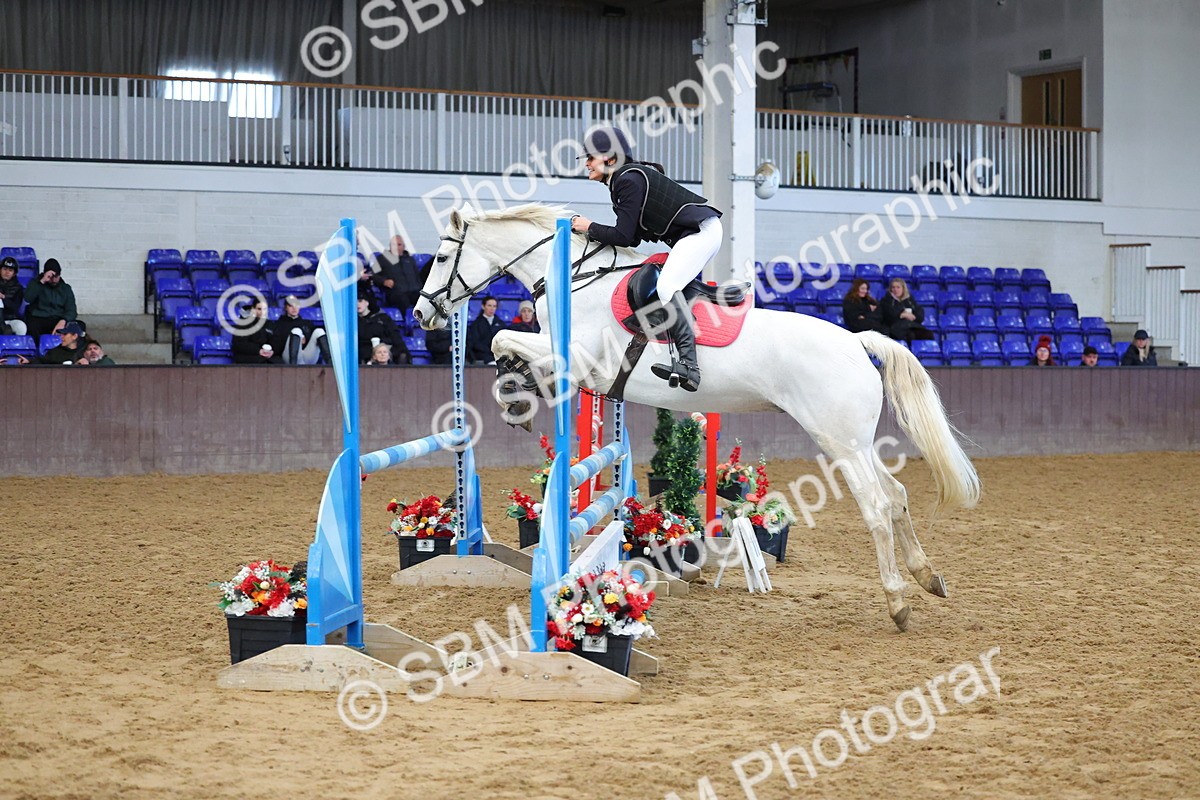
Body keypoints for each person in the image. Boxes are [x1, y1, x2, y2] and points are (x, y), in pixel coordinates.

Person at [570, 126, 722, 392]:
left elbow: (624, 235)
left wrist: (589, 227)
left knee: (665, 287)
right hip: (695, 234)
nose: (586, 164)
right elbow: (632, 239)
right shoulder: (623, 180)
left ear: (611, 159)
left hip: (701, 232)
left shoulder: (627, 180)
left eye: (591, 158)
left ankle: (690, 366)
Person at [23, 258, 79, 341]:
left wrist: (64, 320)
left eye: (56, 276)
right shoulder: (36, 284)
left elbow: (71, 309)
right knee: (32, 325)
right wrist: (42, 281)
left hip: (58, 318)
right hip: (39, 317)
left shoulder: (66, 288)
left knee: (78, 326)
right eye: (51, 276)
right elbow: (27, 298)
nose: (54, 279)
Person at [271, 296, 330, 365]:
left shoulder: (306, 323)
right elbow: (276, 347)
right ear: (286, 307)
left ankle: (331, 363)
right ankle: (293, 369)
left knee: (319, 331)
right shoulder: (279, 324)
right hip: (288, 358)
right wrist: (296, 339)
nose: (294, 308)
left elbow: (313, 341)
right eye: (291, 306)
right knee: (296, 331)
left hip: (307, 357)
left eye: (296, 305)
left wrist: (305, 340)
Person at [372, 236, 423, 315]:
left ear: (403, 246)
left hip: (414, 291)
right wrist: (383, 281)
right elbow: (372, 275)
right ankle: (407, 322)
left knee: (425, 299)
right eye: (393, 245)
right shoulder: (382, 258)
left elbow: (417, 278)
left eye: (399, 244)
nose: (396, 247)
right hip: (395, 293)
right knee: (402, 299)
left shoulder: (410, 259)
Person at [356, 294, 408, 364]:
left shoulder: (383, 318)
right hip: (365, 351)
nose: (357, 304)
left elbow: (394, 335)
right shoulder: (352, 322)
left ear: (367, 303)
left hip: (385, 346)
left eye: (360, 301)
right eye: (354, 302)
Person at [880, 277, 934, 342]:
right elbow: (889, 316)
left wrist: (913, 317)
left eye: (898, 287)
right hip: (895, 328)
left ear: (903, 289)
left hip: (912, 325)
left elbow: (920, 315)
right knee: (910, 335)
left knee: (928, 334)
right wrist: (902, 315)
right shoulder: (886, 301)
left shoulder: (910, 301)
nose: (895, 290)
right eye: (893, 287)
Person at [231, 299, 279, 364]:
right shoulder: (243, 323)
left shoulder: (271, 325)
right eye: (259, 309)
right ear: (253, 309)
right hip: (247, 360)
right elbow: (238, 344)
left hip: (266, 359)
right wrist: (258, 351)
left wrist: (272, 351)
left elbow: (276, 342)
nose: (262, 312)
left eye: (265, 309)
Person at [466, 296, 505, 364]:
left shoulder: (501, 324)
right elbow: (475, 343)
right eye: (489, 305)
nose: (492, 308)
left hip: (499, 354)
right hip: (482, 355)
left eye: (494, 306)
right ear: (483, 306)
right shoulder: (476, 324)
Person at [0, 257, 27, 336]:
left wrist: (4, 298)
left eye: (10, 270)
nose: (7, 272)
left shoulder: (18, 288)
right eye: (5, 269)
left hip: (10, 319)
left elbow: (15, 307)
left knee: (21, 327)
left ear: (14, 273)